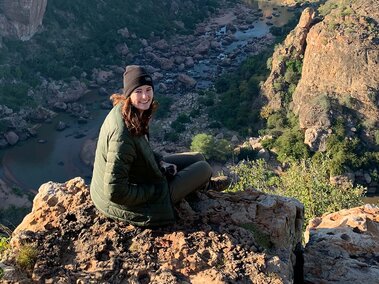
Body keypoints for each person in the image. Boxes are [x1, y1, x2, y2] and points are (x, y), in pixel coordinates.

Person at [90, 65, 228, 227]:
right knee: (204, 168)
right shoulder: (122, 135)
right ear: (128, 93)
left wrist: (161, 163)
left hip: (138, 176)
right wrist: (154, 190)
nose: (145, 96)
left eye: (148, 89)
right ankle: (203, 187)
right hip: (125, 205)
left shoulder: (127, 111)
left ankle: (201, 185)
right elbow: (115, 192)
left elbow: (140, 151)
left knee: (197, 157)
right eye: (138, 91)